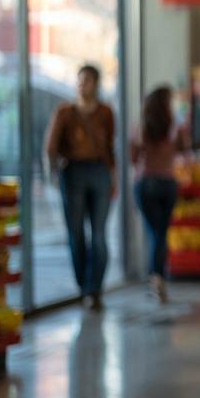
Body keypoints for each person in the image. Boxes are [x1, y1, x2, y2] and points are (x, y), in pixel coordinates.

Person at [45, 64, 116, 311]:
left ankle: (94, 288)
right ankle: (84, 286)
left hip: (99, 171)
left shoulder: (105, 112)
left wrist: (113, 177)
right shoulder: (65, 112)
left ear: (96, 84)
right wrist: (53, 173)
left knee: (99, 234)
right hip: (72, 172)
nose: (82, 85)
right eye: (79, 80)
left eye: (86, 80)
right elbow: (51, 146)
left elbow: (110, 147)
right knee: (75, 233)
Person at [130, 85, 189, 303]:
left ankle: (155, 277)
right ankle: (157, 277)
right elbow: (184, 149)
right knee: (160, 233)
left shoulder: (141, 128)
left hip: (145, 183)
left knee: (154, 233)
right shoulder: (174, 128)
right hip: (167, 183)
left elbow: (133, 157)